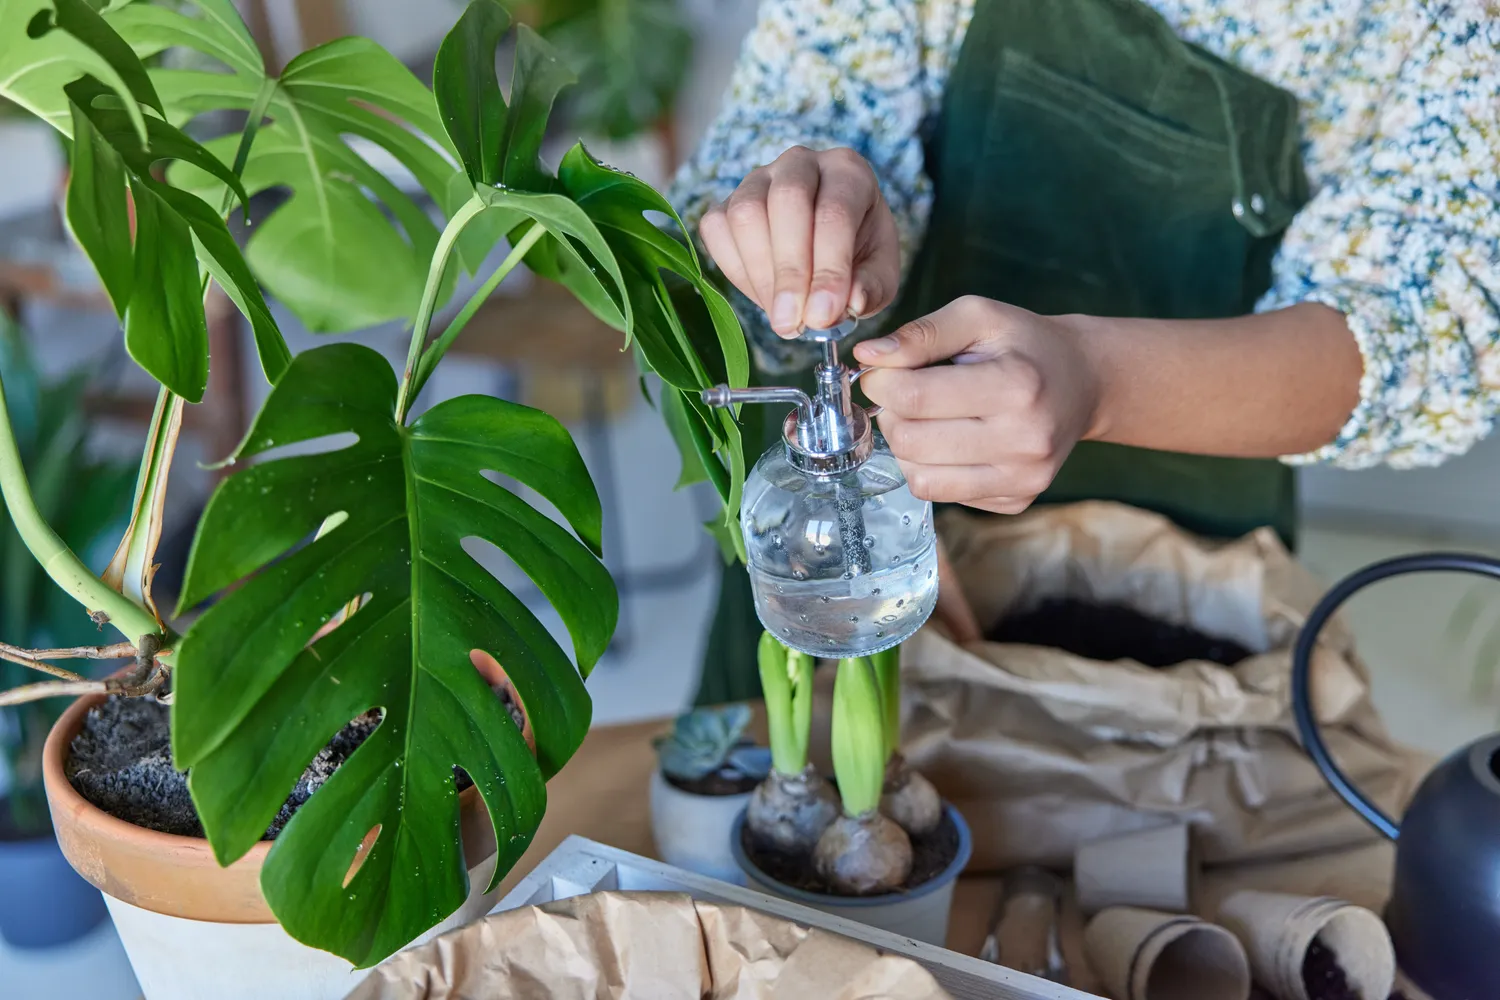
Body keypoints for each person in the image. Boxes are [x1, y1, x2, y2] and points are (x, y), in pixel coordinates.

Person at [670, 0, 1500, 704]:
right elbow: (784, 121)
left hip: (1170, 580)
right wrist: (793, 213)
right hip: (832, 567)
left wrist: (1099, 381)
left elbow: (1425, 333)